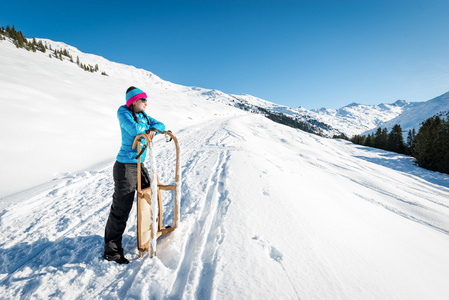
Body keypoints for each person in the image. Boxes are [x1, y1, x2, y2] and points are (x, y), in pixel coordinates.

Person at [104, 86, 165, 264]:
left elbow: (160, 125)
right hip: (125, 167)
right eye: (143, 100)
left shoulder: (144, 116)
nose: (146, 103)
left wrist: (152, 129)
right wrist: (148, 130)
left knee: (149, 196)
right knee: (121, 209)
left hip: (139, 164)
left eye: (146, 99)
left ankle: (152, 231)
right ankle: (112, 252)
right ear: (133, 101)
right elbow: (136, 131)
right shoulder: (123, 112)